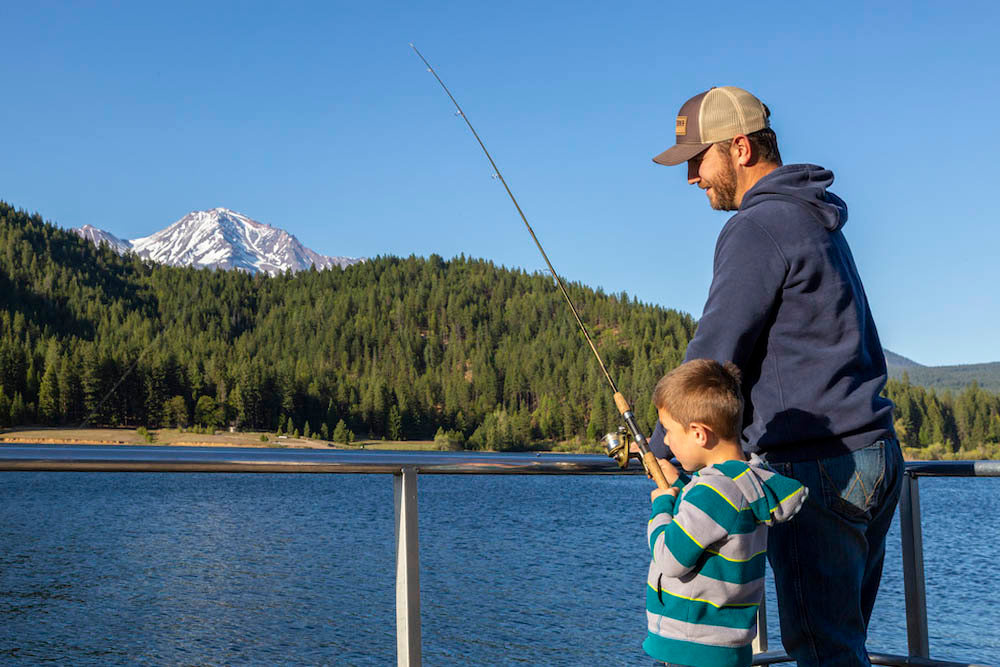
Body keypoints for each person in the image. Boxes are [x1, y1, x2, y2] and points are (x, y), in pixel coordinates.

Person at [648, 86, 904, 666]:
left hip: (817, 466)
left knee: (824, 654)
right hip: (873, 454)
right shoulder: (815, 217)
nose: (691, 176)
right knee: (842, 646)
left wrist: (667, 443)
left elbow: (716, 351)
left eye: (697, 158)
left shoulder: (757, 226)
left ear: (739, 148)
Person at [643, 358, 807, 667]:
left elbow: (669, 558)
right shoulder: (745, 480)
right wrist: (680, 484)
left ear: (698, 433)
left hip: (691, 650)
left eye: (667, 431)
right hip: (726, 650)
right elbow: (710, 518)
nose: (665, 441)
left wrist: (663, 503)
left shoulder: (712, 494)